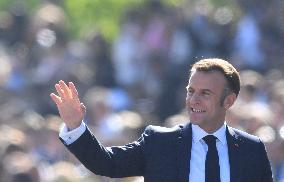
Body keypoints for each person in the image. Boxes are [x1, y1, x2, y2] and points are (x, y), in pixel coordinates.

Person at [50, 58, 273, 182]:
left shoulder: (250, 150)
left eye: (205, 94)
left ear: (229, 101)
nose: (193, 100)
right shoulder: (159, 142)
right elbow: (106, 163)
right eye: (190, 91)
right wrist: (75, 126)